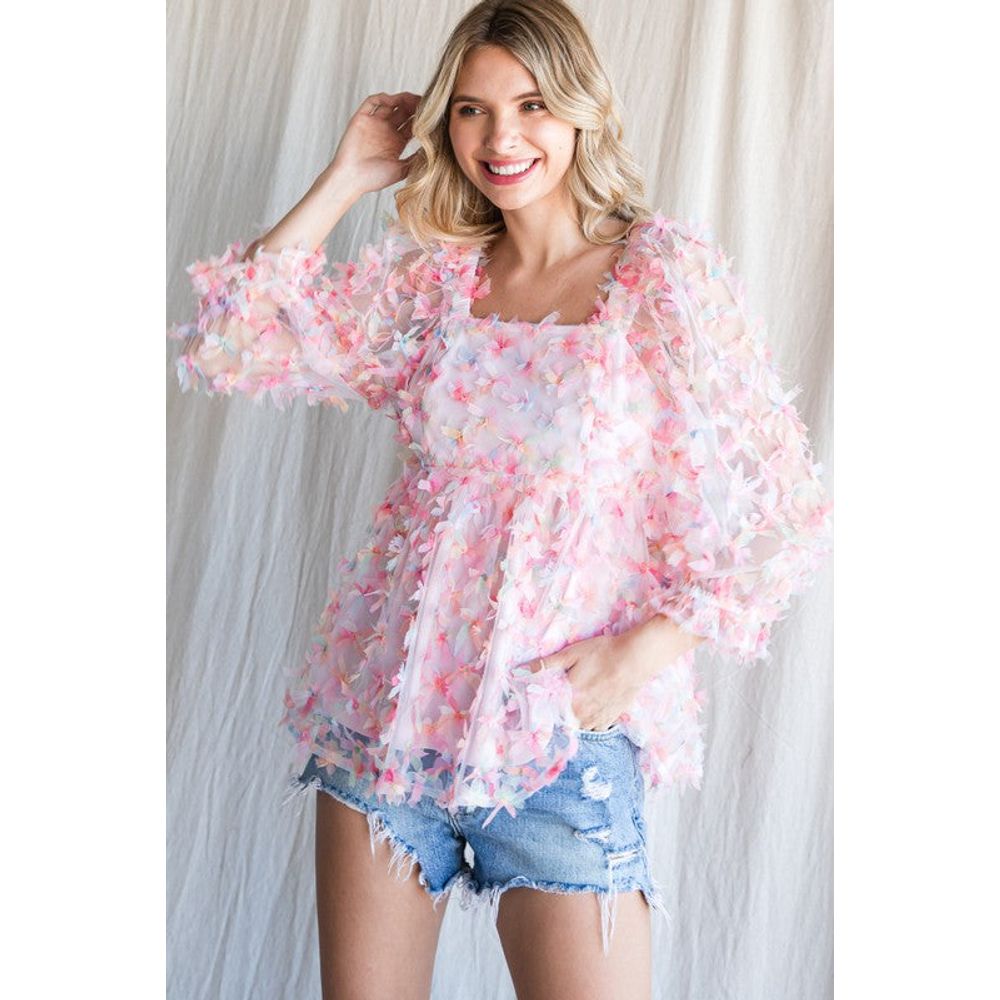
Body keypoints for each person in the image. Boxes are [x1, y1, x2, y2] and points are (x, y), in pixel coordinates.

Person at [167, 1, 833, 997]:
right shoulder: (437, 285)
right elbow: (233, 341)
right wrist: (346, 175)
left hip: (562, 743)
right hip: (388, 730)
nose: (501, 137)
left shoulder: (658, 276)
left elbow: (783, 508)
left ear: (579, 111)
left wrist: (642, 651)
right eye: (472, 110)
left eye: (530, 105)